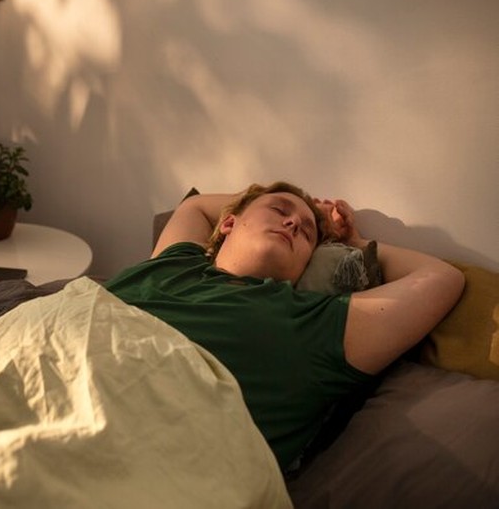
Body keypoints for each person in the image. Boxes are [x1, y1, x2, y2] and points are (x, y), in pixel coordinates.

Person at [104, 181, 464, 471]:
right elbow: (194, 207)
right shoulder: (175, 262)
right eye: (279, 211)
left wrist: (353, 243)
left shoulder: (312, 322)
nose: (293, 223)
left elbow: (441, 278)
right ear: (228, 223)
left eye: (308, 233)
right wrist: (271, 201)